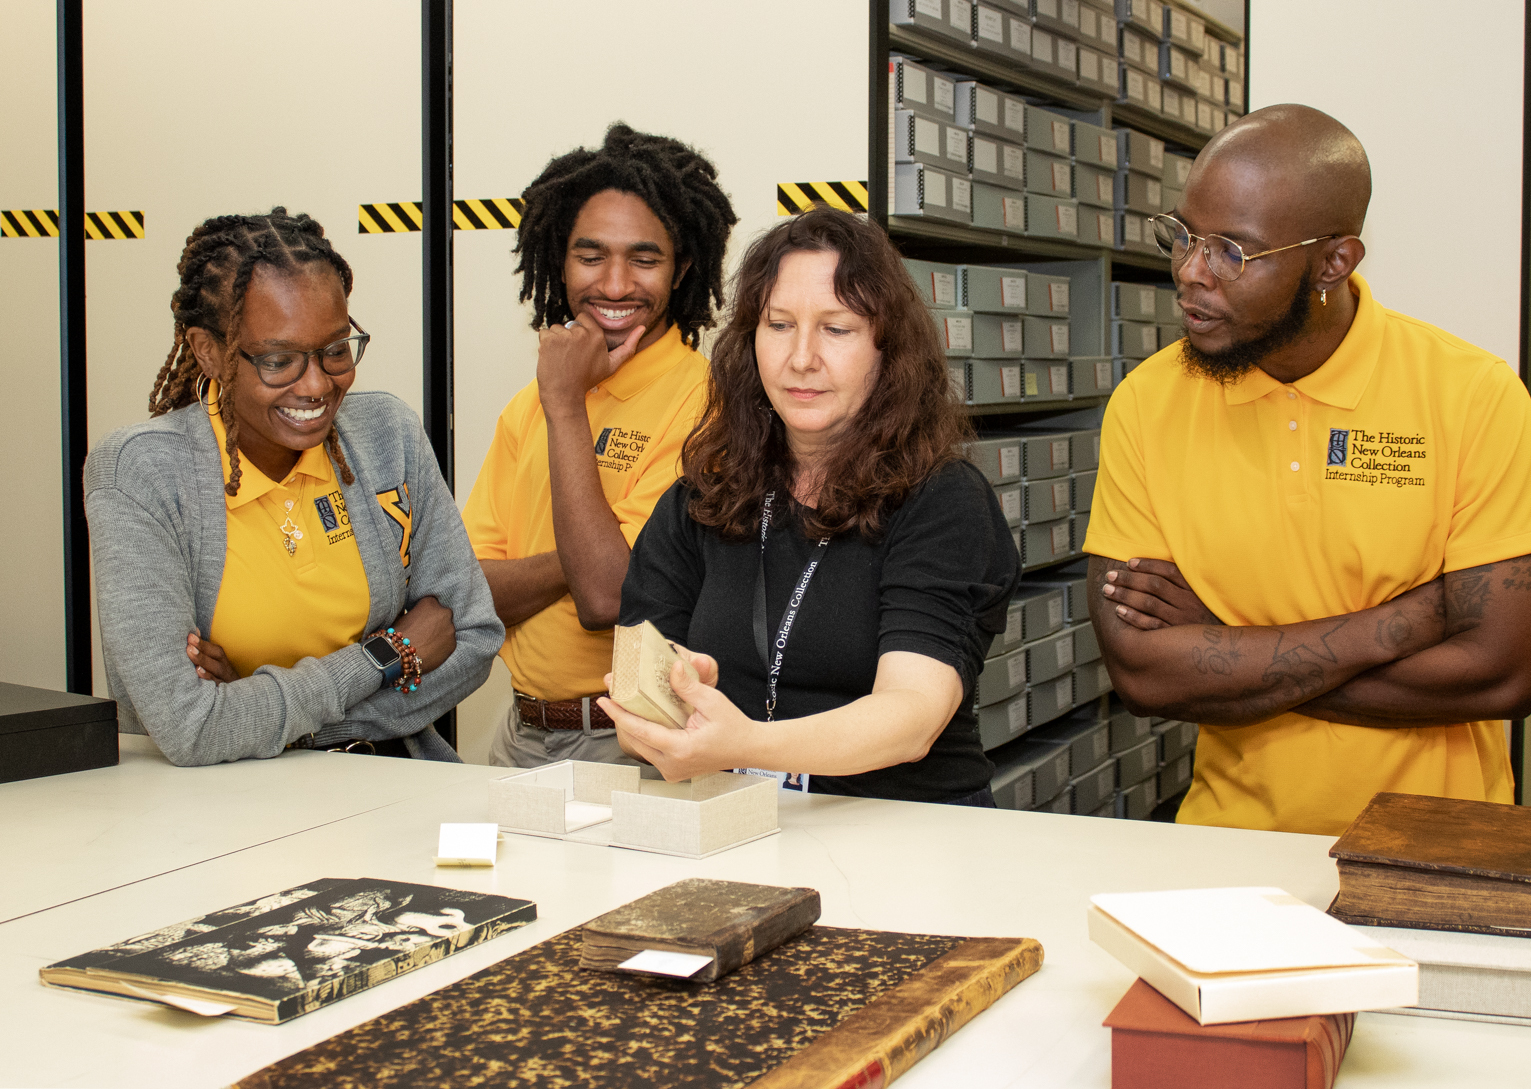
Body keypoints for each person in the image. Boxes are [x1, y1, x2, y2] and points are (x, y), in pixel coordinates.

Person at [1083, 105, 1531, 836]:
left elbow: (1504, 672)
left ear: (1334, 261)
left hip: (1440, 848)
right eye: (1182, 236)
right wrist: (1402, 621)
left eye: (1232, 252)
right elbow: (1147, 675)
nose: (1190, 273)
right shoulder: (1146, 405)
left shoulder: (1472, 395)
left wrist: (1230, 653)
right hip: (1226, 850)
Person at [601, 205, 1020, 805]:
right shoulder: (704, 495)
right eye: (778, 325)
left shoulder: (942, 499)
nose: (801, 358)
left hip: (909, 837)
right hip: (741, 828)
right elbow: (636, 698)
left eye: (837, 328)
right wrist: (673, 696)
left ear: (888, 347)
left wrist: (743, 743)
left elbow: (913, 715)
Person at [86, 208, 502, 766]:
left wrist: (260, 714)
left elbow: (471, 637)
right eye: (279, 360)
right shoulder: (143, 473)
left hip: (392, 784)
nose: (316, 385)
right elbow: (190, 727)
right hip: (222, 820)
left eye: (334, 350)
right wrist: (384, 656)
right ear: (209, 351)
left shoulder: (385, 436)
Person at [462, 123, 737, 769]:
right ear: (560, 259)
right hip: (519, 732)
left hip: (633, 738)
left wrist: (564, 404)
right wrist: (583, 552)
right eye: (590, 256)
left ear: (682, 268)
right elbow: (469, 590)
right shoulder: (526, 404)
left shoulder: (705, 403)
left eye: (644, 259)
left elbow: (609, 598)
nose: (614, 285)